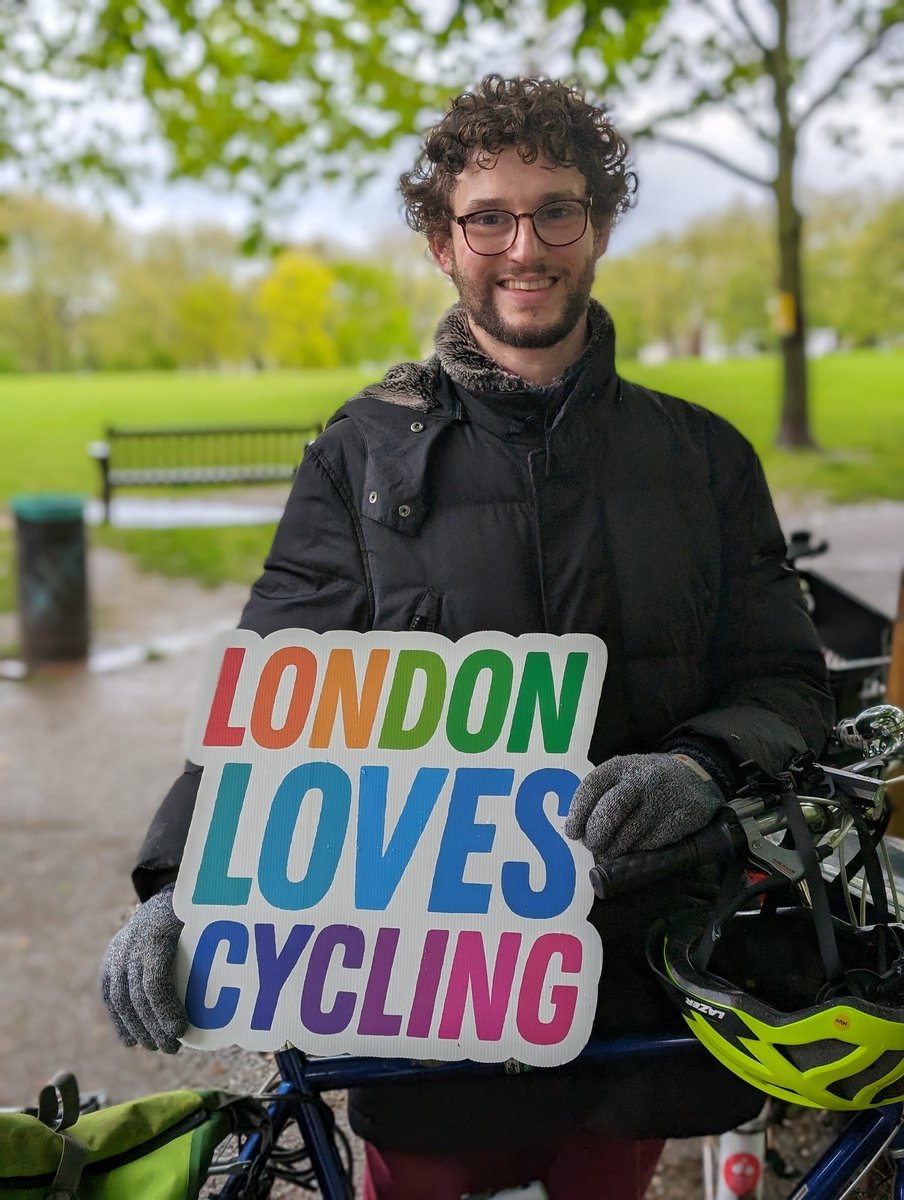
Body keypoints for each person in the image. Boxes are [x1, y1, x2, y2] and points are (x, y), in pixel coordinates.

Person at [102, 76, 833, 1199]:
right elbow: (275, 704)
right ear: (442, 242)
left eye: (556, 210)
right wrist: (178, 887)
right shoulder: (356, 456)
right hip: (426, 1003)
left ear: (598, 226)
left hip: (635, 982)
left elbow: (783, 679)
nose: (523, 245)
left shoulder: (702, 457)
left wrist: (701, 766)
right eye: (487, 216)